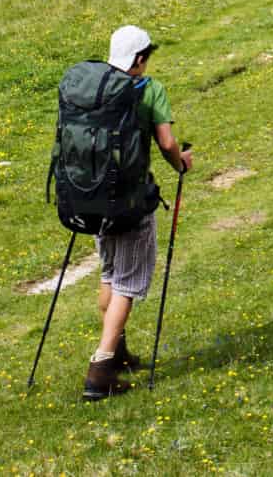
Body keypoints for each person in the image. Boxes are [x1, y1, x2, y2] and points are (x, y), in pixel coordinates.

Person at [84, 24, 192, 400]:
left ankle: (119, 353)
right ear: (140, 59)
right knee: (128, 284)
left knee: (111, 272)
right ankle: (100, 370)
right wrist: (181, 164)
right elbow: (166, 142)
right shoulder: (149, 90)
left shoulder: (93, 88)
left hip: (92, 196)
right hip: (130, 200)